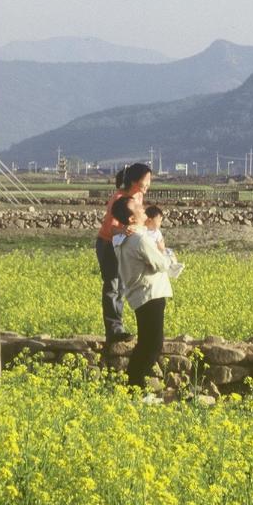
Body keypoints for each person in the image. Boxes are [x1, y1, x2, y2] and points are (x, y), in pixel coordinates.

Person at [111, 193, 173, 394]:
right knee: (153, 345)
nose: (142, 206)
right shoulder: (140, 240)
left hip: (139, 296)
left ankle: (133, 387)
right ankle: (135, 389)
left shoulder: (123, 238)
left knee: (145, 344)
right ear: (131, 218)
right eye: (137, 206)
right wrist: (167, 254)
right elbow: (161, 263)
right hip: (151, 294)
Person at [97, 162, 152, 341]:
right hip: (108, 244)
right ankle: (114, 330)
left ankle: (118, 328)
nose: (148, 185)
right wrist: (123, 230)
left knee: (121, 286)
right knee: (113, 286)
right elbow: (111, 227)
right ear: (135, 181)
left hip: (123, 244)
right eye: (146, 181)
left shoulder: (137, 197)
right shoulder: (119, 197)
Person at [142, 204, 185, 279]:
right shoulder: (143, 231)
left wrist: (162, 248)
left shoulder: (157, 232)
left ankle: (173, 266)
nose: (160, 223)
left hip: (160, 250)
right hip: (152, 251)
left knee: (169, 252)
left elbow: (161, 243)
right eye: (159, 221)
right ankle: (170, 267)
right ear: (149, 220)